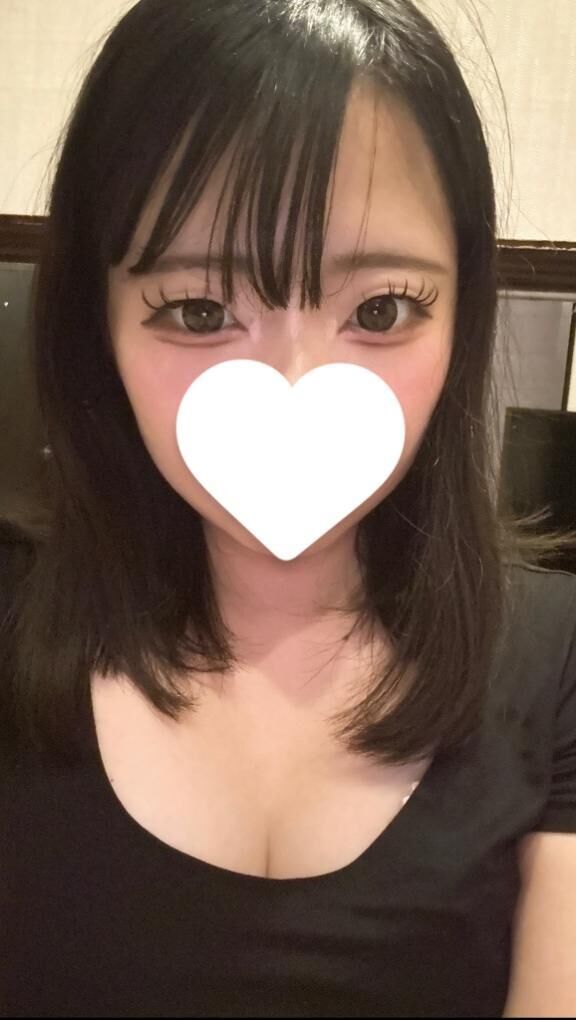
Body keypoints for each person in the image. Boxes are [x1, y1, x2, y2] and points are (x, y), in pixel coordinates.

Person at [1, 0, 576, 1016]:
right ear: (97, 327)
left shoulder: (558, 653)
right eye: (199, 311)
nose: (296, 382)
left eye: (382, 309)